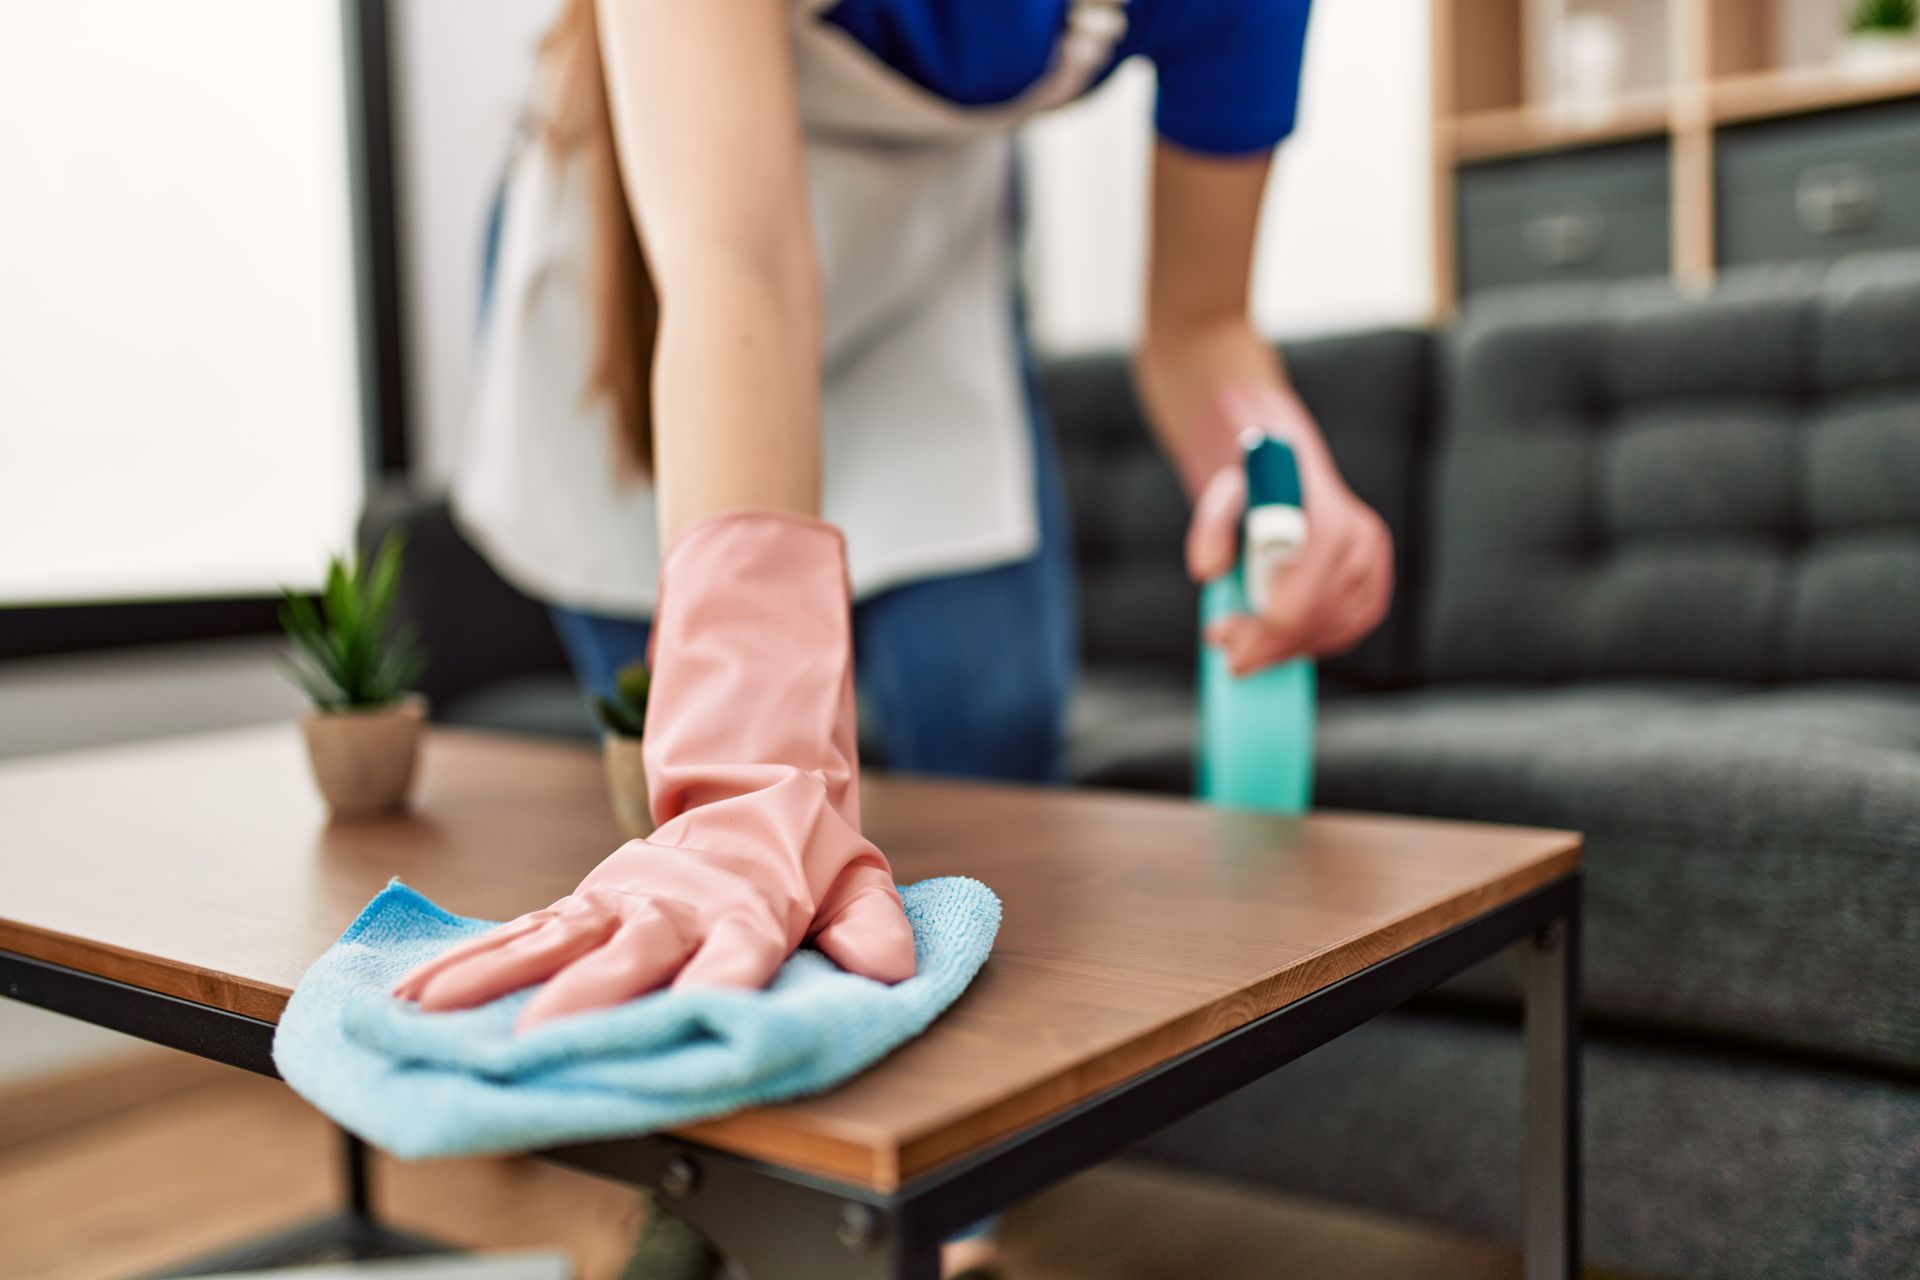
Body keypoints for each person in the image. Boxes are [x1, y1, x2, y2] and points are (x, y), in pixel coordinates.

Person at [400, 0, 1391, 1273]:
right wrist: (746, 770)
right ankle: (711, 1184)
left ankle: (938, 1204)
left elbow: (1199, 322)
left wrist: (1273, 456)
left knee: (991, 724)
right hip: (664, 265)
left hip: (924, 267)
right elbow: (739, 259)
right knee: (685, 783)